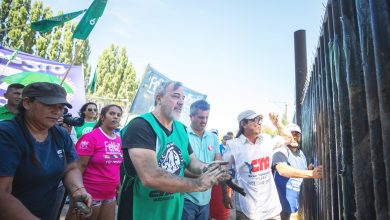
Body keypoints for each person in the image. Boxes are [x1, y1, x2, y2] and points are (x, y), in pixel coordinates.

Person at [117, 80, 229, 220]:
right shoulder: (141, 125)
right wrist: (198, 184)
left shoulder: (181, 129)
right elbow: (150, 176)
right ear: (159, 98)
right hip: (141, 211)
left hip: (172, 211)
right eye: (176, 96)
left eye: (183, 98)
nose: (181, 102)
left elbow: (192, 161)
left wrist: (210, 168)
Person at [0, 82, 92, 220]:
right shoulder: (7, 135)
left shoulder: (61, 134)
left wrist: (78, 190)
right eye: (50, 105)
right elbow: (2, 193)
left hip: (45, 211)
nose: (57, 112)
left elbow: (71, 168)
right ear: (27, 103)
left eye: (61, 107)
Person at [222, 110, 282, 220]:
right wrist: (225, 195)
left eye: (260, 120)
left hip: (271, 210)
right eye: (256, 120)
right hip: (248, 211)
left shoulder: (267, 140)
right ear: (244, 124)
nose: (260, 123)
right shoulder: (233, 146)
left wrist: (277, 124)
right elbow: (224, 172)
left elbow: (288, 138)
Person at [66, 104, 123, 220]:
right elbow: (78, 167)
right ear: (102, 117)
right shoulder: (90, 137)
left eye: (118, 115)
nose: (115, 117)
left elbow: (116, 166)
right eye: (111, 113)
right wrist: (75, 194)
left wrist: (118, 187)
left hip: (110, 194)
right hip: (90, 194)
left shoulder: (118, 139)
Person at [271, 120, 323, 220]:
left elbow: (300, 172)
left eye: (297, 134)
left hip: (291, 205)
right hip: (277, 206)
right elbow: (282, 170)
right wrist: (311, 173)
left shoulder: (301, 154)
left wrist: (308, 169)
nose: (294, 137)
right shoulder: (280, 151)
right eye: (291, 134)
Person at [182, 100, 221, 220]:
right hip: (187, 197)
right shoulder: (183, 135)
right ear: (191, 116)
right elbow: (180, 167)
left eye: (206, 117)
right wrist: (202, 177)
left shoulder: (213, 137)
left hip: (206, 199)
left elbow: (218, 161)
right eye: (200, 117)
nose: (204, 121)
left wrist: (219, 171)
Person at [210, 134, 233, 220]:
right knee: (216, 203)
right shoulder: (218, 147)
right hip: (217, 178)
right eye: (226, 139)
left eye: (230, 139)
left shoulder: (234, 149)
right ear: (222, 139)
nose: (227, 141)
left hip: (228, 179)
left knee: (225, 207)